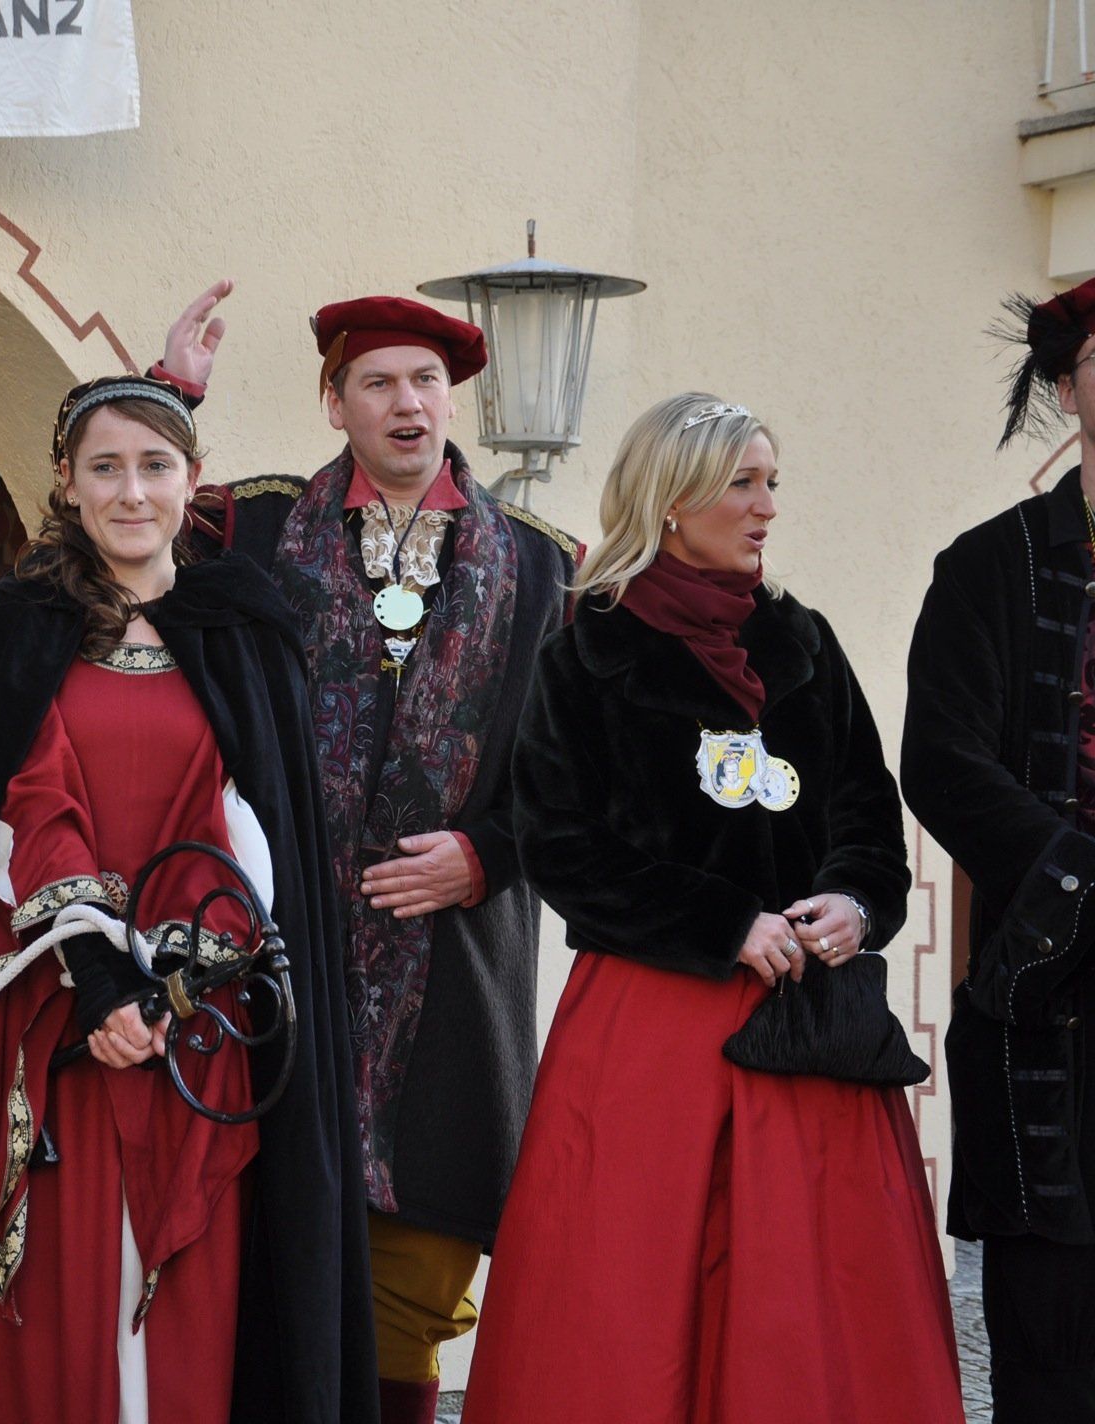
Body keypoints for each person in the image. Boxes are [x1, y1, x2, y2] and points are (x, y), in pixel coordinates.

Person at [0, 376, 379, 1423]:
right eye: (104, 468)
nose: (131, 492)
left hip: (200, 1024)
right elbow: (20, 803)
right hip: (49, 1018)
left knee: (196, 1313)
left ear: (193, 479)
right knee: (57, 1306)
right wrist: (97, 977)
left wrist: (174, 979)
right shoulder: (19, 626)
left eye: (154, 465)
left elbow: (254, 824)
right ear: (66, 482)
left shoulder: (245, 627)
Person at [461, 393, 960, 1423]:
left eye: (772, 481)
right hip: (651, 1031)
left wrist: (855, 903)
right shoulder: (585, 655)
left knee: (812, 1308)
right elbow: (559, 844)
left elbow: (868, 815)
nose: (766, 505)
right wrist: (723, 922)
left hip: (807, 1037)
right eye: (742, 482)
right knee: (630, 1297)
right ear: (670, 499)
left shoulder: (805, 644)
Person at [154, 285, 577, 1424]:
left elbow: (586, 776)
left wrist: (486, 853)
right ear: (333, 401)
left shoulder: (548, 568)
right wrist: (169, 394)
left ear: (453, 402)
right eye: (377, 382)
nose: (406, 403)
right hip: (270, 957)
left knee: (414, 1285)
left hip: (455, 978)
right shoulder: (246, 527)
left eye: (425, 382)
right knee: (259, 1265)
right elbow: (112, 534)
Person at [903, 274, 1095, 1423]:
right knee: (1048, 1352)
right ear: (1068, 388)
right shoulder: (990, 565)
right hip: (1045, 996)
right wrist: (1076, 873)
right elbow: (940, 762)